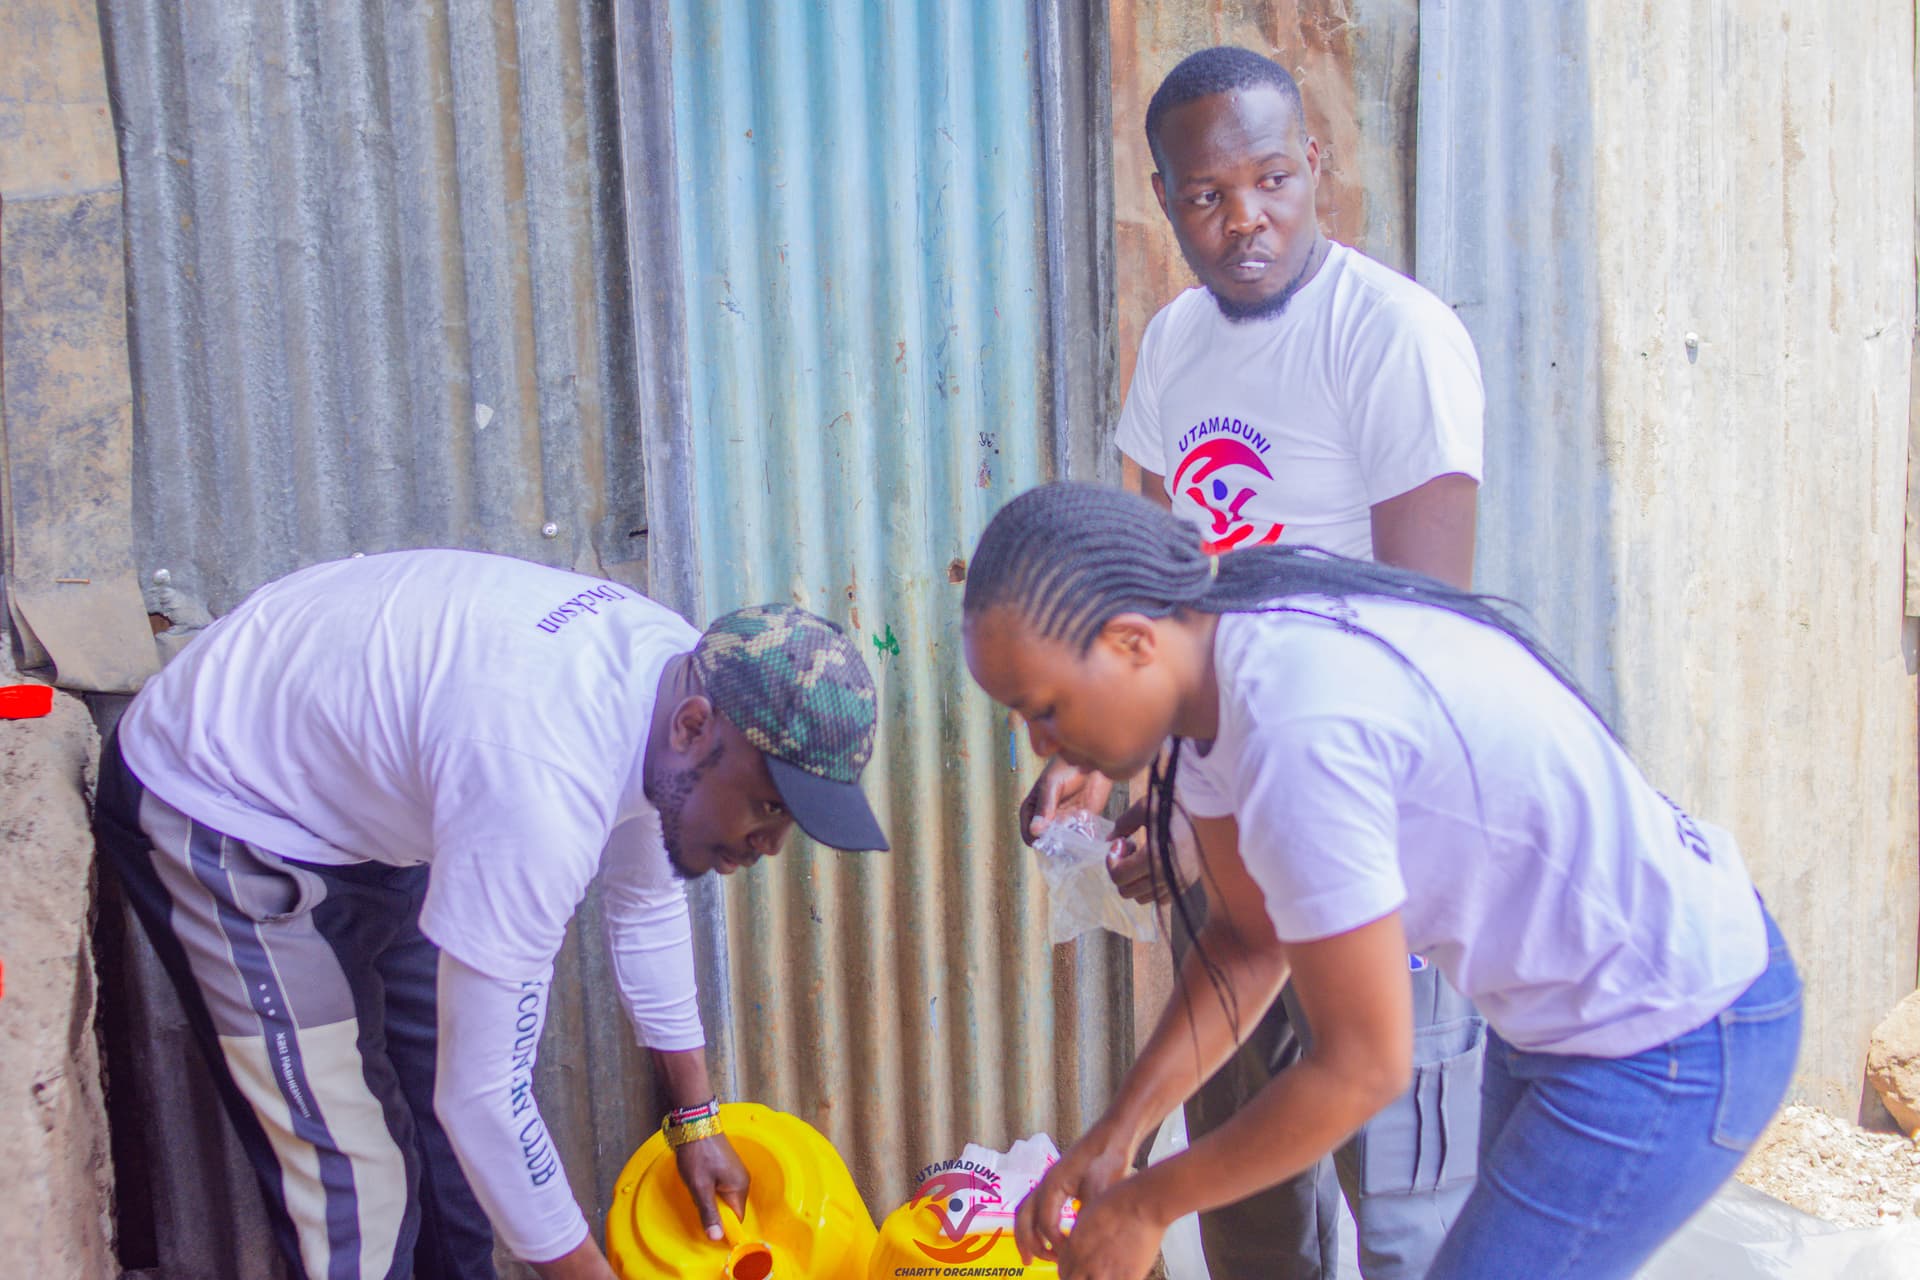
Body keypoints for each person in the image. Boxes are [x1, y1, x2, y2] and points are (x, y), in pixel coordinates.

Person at [967, 482, 1800, 1280]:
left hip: (1673, 1029)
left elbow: (1362, 1067)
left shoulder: (1300, 731)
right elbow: (1250, 941)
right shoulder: (1223, 664)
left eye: (1044, 707)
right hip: (1568, 1015)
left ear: (1131, 642)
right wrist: (1121, 1133)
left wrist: (1150, 1204)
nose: (1040, 743)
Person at [92, 549, 889, 1280]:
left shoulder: (686, 678)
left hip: (364, 807)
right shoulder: (539, 782)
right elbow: (483, 1098)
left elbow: (646, 903)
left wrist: (694, 1117)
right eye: (767, 806)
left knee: (459, 1160)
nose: (770, 846)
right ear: (692, 728)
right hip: (222, 807)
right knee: (354, 1191)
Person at [1022, 44, 1485, 1279]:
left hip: (1374, 832)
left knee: (1403, 1222)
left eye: (1272, 179)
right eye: (1206, 196)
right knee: (1248, 1210)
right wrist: (1128, 767)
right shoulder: (1177, 342)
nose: (1245, 221)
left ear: (1317, 165)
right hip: (1234, 820)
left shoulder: (1393, 339)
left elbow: (1421, 643)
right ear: (1163, 198)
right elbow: (1166, 604)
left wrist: (1205, 797)